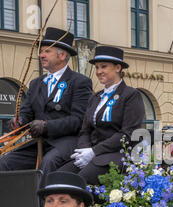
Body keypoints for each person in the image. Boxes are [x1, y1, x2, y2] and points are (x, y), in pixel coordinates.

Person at [0, 27, 92, 176]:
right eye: (42, 51)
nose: (41, 55)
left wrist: (47, 126)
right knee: (5, 163)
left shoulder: (79, 82)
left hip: (66, 142)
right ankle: (8, 200)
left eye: (47, 51)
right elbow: (27, 111)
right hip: (39, 142)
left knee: (48, 162)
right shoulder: (36, 83)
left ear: (62, 55)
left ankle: (42, 199)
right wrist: (19, 121)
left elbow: (79, 120)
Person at [58, 46, 145, 184]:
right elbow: (85, 130)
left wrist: (94, 151)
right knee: (58, 177)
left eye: (103, 67)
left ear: (117, 68)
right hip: (92, 154)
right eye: (97, 67)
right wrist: (84, 150)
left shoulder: (131, 95)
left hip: (117, 155)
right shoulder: (96, 97)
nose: (99, 72)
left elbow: (127, 134)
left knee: (78, 181)